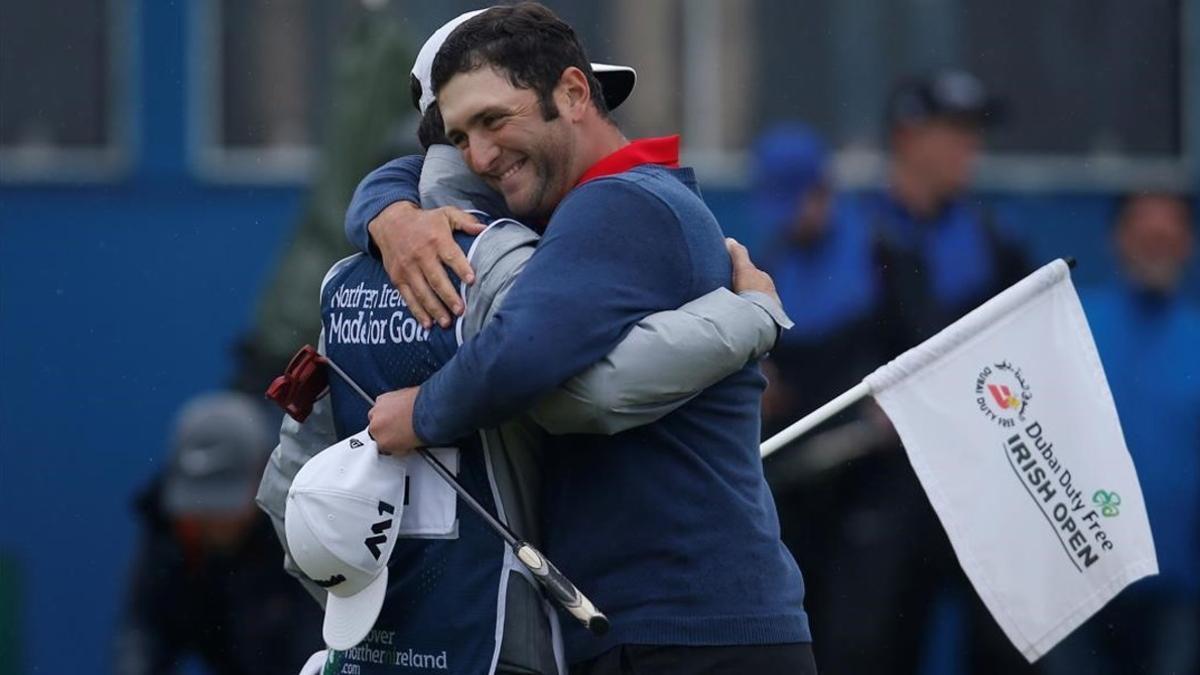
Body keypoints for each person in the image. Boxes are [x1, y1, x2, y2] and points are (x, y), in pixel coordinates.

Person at [257, 10, 797, 675]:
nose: (485, 157)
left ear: (573, 97)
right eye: (460, 137)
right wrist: (389, 210)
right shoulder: (564, 216)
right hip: (660, 627)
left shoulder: (615, 205)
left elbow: (551, 375)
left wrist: (420, 410)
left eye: (496, 121)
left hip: (690, 630)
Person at [815, 70, 1036, 675]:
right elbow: (804, 353)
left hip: (981, 480)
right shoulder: (850, 233)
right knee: (866, 647)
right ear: (908, 136)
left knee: (1012, 648)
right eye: (956, 131)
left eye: (974, 132)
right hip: (879, 484)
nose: (972, 147)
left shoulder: (996, 239)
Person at [1041, 192, 1199, 675]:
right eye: (1145, 233)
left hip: (1178, 587)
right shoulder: (1069, 324)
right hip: (1075, 584)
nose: (1157, 245)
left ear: (1188, 245)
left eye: (1168, 235)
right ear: (1118, 240)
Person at [114, 392, 322, 675]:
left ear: (262, 473)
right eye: (199, 504)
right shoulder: (168, 529)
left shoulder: (303, 526)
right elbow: (144, 633)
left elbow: (317, 647)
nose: (212, 520)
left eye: (224, 504)